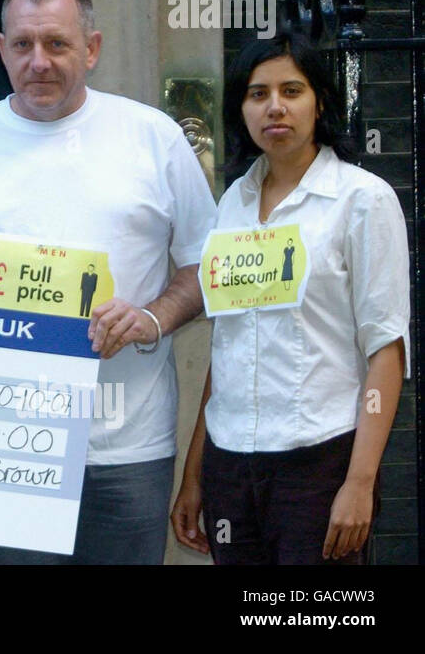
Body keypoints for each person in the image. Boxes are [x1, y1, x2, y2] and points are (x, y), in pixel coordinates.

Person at [0, 0, 217, 564]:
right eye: (23, 44)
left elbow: (206, 264)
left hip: (128, 449)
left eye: (56, 43)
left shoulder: (153, 138)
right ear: (2, 50)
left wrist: (151, 319)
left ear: (91, 49)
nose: (38, 62)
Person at [171, 35, 408, 565]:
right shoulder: (232, 205)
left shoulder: (362, 200)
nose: (274, 106)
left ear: (319, 102)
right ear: (241, 109)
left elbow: (386, 349)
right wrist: (195, 474)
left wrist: (360, 482)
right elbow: (229, 346)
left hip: (319, 461)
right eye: (258, 94)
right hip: (230, 464)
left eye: (291, 91)